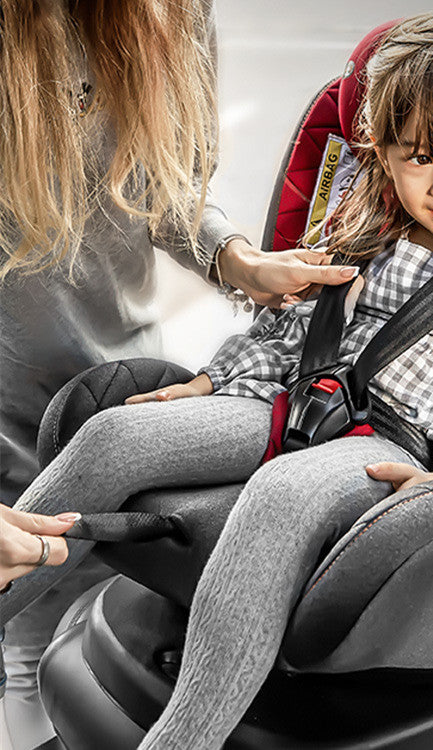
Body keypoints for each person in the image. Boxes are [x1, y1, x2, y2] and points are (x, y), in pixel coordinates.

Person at [3, 10, 433, 748]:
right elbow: (290, 333)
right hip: (297, 405)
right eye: (418, 157)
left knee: (280, 493)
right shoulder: (365, 226)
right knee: (114, 435)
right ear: (380, 148)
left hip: (397, 451)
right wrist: (215, 384)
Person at [0, 2, 356, 747]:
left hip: (109, 383)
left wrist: (235, 258)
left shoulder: (165, 17)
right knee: (29, 654)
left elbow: (161, 193)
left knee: (80, 629)